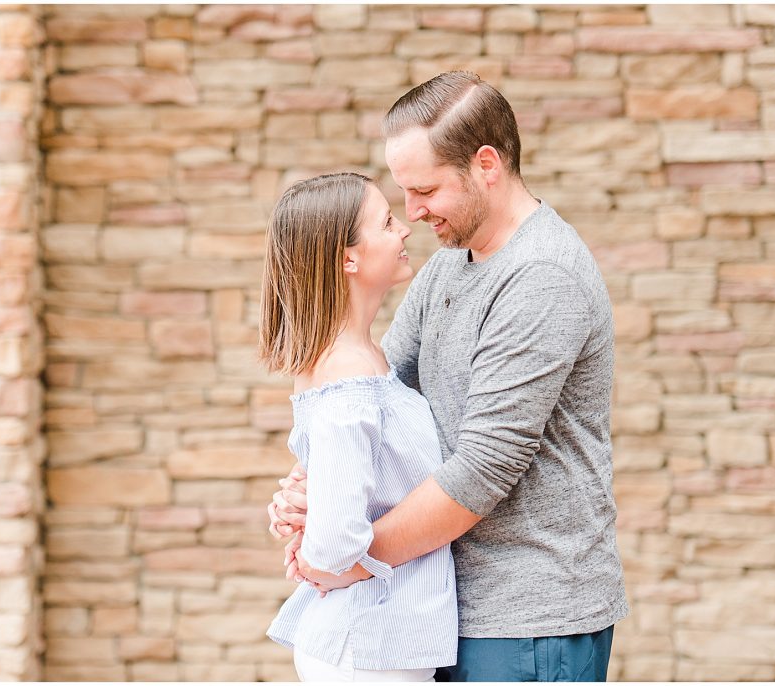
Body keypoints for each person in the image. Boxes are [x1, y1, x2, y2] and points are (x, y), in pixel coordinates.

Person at [269, 71, 628, 682]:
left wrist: (347, 555)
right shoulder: (448, 268)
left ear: (486, 164)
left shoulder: (542, 276)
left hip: (527, 620)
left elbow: (483, 468)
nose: (412, 213)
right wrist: (314, 497)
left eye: (426, 189)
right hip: (442, 612)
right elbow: (375, 403)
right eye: (403, 194)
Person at [259, 172, 458, 682]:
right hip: (368, 650)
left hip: (383, 644)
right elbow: (331, 545)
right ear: (348, 258)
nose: (405, 230)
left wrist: (305, 507)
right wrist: (327, 562)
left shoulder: (363, 359)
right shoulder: (347, 377)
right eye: (387, 222)